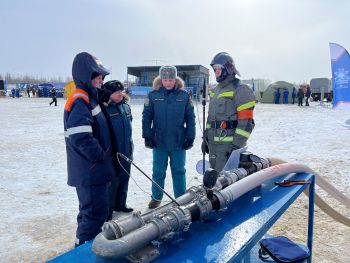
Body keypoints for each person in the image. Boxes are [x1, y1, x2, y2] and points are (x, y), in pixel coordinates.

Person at [64, 52, 115, 247]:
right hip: (91, 171)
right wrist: (99, 157)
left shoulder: (89, 98)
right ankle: (85, 253)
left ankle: (81, 248)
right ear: (87, 76)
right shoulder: (80, 99)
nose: (102, 81)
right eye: (98, 77)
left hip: (92, 171)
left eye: (103, 77)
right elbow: (80, 136)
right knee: (94, 217)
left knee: (89, 213)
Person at [142, 65, 196, 209]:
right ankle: (156, 197)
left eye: (171, 79)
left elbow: (190, 118)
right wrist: (147, 135)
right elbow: (146, 117)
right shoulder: (153, 95)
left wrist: (190, 136)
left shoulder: (184, 96)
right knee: (158, 171)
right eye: (165, 80)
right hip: (158, 141)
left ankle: (181, 198)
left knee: (179, 171)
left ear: (175, 79)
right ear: (161, 79)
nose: (168, 83)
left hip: (179, 141)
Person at [202, 52, 256, 173]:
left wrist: (236, 146)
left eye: (218, 68)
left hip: (229, 148)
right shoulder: (215, 91)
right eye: (214, 69)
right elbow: (211, 119)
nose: (215, 72)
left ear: (228, 69)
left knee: (227, 185)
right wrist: (206, 138)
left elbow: (246, 123)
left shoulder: (241, 89)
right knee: (212, 180)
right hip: (213, 147)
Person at [99, 80, 134, 218]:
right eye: (116, 91)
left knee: (125, 178)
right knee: (112, 182)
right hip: (113, 153)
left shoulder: (126, 106)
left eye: (121, 90)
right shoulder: (105, 109)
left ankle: (121, 204)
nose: (120, 93)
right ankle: (108, 209)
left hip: (127, 150)